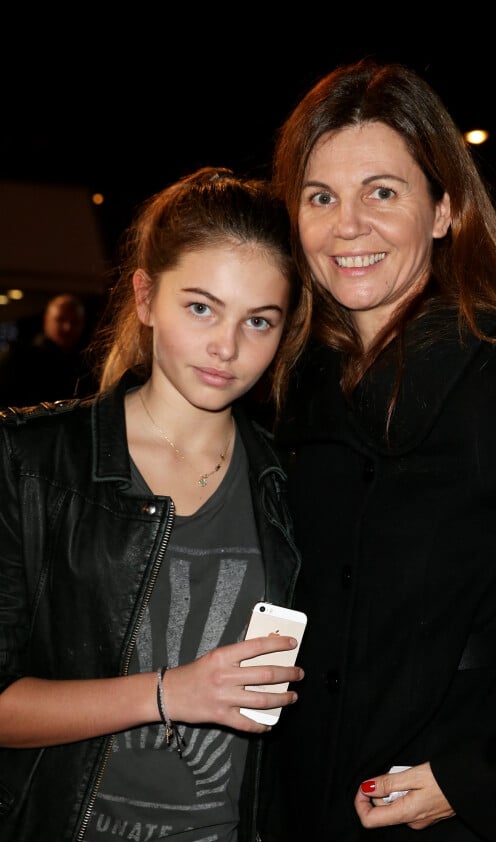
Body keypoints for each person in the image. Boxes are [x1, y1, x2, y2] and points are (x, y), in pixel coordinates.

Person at [256, 59, 496, 842]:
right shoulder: (290, 382)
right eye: (321, 196)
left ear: (443, 210)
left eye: (383, 192)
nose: (348, 226)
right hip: (297, 797)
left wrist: (479, 780)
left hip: (437, 807)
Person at [0, 166, 311, 842]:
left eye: (259, 321)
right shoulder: (33, 462)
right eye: (201, 307)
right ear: (145, 296)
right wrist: (170, 692)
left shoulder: (292, 486)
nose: (226, 348)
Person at [0, 292, 95, 406]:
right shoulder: (21, 359)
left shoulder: (89, 361)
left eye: (75, 322)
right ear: (46, 320)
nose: (67, 327)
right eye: (60, 319)